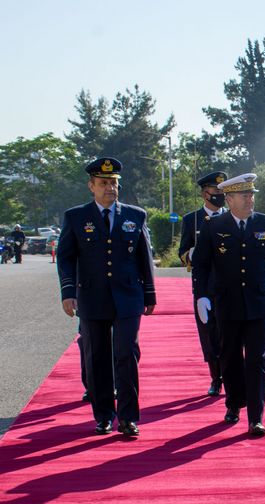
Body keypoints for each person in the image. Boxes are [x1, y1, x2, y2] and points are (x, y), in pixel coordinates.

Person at [57, 157, 157, 437]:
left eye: (113, 183)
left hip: (128, 296)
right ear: (91, 186)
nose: (110, 188)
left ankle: (128, 418)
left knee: (127, 354)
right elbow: (65, 257)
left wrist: (149, 293)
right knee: (97, 356)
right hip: (92, 297)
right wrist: (68, 292)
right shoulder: (76, 217)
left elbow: (144, 256)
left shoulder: (135, 215)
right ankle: (103, 415)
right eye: (103, 183)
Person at [191, 173, 265, 436]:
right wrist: (201, 296)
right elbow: (201, 264)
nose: (250, 200)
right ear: (229, 199)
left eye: (252, 195)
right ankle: (234, 403)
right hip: (227, 302)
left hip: (258, 303)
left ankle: (256, 417)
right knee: (230, 356)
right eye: (244, 195)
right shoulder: (213, 226)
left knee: (257, 359)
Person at [178, 170, 228, 396]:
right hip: (205, 285)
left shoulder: (232, 215)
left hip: (229, 284)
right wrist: (193, 253)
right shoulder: (192, 220)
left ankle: (231, 375)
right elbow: (182, 253)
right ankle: (216, 377)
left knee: (230, 333)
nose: (219, 194)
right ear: (204, 194)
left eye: (222, 190)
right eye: (215, 190)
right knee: (209, 333)